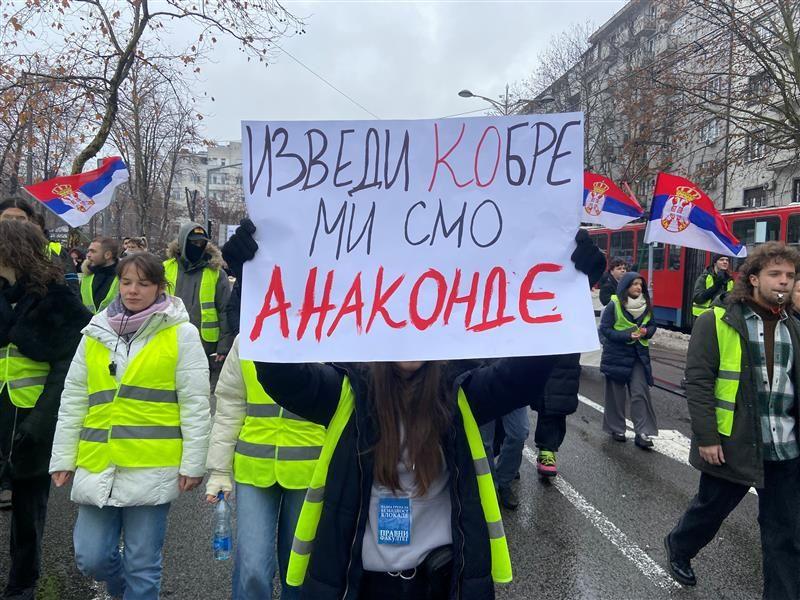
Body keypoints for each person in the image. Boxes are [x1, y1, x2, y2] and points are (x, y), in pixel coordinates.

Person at [221, 222, 605, 600]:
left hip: (438, 582)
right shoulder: (349, 394)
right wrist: (254, 285)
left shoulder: (458, 395)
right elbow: (280, 375)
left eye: (420, 317)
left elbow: (525, 375)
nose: (408, 335)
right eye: (396, 317)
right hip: (362, 585)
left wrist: (567, 289)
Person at [49, 252, 211, 600]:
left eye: (143, 283)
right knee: (90, 557)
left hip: (152, 465)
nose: (133, 290)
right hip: (98, 459)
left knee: (143, 563)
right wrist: (63, 458)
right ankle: (121, 592)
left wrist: (194, 464)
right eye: (126, 282)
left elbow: (196, 404)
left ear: (159, 287)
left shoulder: (181, 334)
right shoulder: (95, 332)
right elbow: (74, 398)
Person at [664, 242, 800, 597]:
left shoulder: (794, 328)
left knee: (785, 533)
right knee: (710, 512)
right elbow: (698, 381)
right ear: (753, 278)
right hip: (734, 444)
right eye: (775, 274)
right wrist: (707, 437)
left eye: (789, 275)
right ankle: (680, 546)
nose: (784, 282)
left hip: (785, 449)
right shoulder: (717, 320)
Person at [0, 220, 90, 600]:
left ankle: (21, 587)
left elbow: (67, 370)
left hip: (32, 419)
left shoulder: (57, 299)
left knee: (27, 513)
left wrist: (40, 422)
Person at [205, 334, 327, 600]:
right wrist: (220, 470)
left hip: (311, 470)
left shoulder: (329, 332)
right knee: (252, 569)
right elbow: (230, 404)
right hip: (254, 467)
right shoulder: (248, 337)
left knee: (298, 573)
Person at [599, 272, 658, 449]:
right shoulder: (614, 304)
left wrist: (647, 332)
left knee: (640, 392)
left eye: (640, 284)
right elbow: (605, 330)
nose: (638, 287)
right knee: (616, 394)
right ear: (625, 286)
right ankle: (617, 428)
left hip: (638, 355)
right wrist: (626, 335)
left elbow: (653, 325)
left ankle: (643, 432)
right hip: (617, 355)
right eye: (634, 284)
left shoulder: (646, 305)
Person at [165, 222, 233, 363]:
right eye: (194, 242)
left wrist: (224, 346)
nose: (198, 246)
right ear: (183, 242)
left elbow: (225, 310)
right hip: (168, 340)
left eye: (202, 243)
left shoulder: (216, 273)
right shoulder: (165, 269)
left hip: (205, 345)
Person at [0, 197, 79, 293]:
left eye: (20, 218)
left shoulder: (46, 251)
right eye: (7, 217)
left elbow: (67, 290)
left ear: (30, 221)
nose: (13, 222)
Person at [533, 353, 582, 477]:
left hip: (568, 362)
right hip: (547, 358)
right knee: (548, 405)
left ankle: (548, 449)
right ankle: (546, 449)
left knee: (560, 405)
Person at [479, 402, 528, 510]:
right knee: (484, 442)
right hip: (483, 389)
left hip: (514, 389)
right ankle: (490, 486)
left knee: (519, 434)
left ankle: (503, 482)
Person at [81, 237, 120, 314]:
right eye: (88, 251)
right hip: (88, 324)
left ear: (108, 255)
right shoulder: (87, 276)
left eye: (93, 251)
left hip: (112, 325)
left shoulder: (123, 277)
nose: (88, 255)